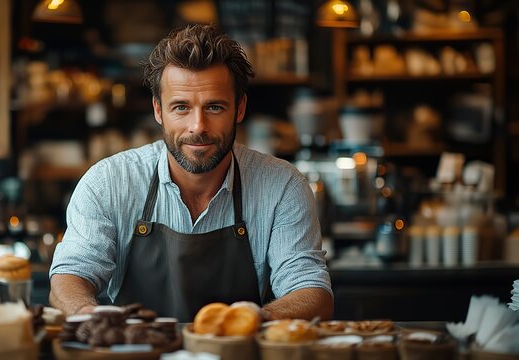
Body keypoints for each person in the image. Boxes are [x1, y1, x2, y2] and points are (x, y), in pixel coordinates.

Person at [49, 24, 333, 322]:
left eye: (214, 107)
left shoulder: (282, 186)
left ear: (239, 108)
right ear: (158, 110)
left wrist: (252, 321)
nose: (198, 126)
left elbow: (311, 290)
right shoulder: (108, 182)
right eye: (181, 107)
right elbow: (71, 275)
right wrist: (87, 313)